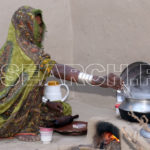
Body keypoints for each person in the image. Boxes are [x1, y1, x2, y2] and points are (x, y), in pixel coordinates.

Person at [0, 6, 122, 141]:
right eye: (35, 26)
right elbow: (58, 70)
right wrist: (98, 80)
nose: (40, 30)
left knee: (63, 109)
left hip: (15, 107)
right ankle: (22, 128)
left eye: (41, 25)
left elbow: (25, 88)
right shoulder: (29, 51)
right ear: (24, 27)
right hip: (6, 114)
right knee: (36, 79)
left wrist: (46, 102)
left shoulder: (8, 48)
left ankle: (27, 118)